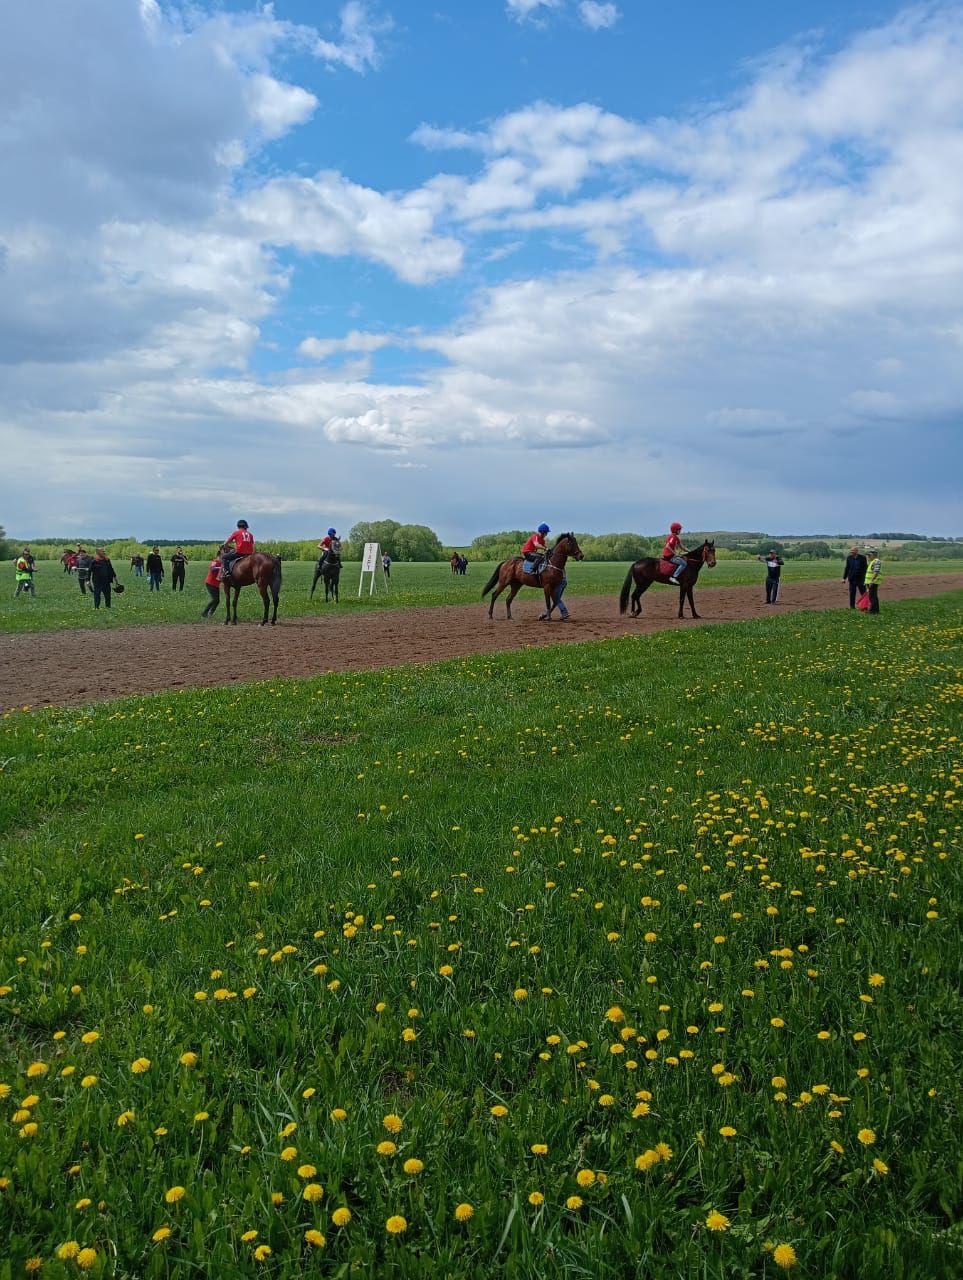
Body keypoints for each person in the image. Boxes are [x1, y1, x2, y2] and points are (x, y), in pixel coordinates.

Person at [865, 547, 882, 614]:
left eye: (869, 555)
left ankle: (873, 611)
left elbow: (876, 572)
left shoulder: (876, 561)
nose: (868, 556)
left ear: (873, 555)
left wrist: (871, 581)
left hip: (873, 582)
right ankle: (875, 610)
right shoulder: (872, 561)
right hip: (870, 582)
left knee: (872, 596)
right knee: (872, 596)